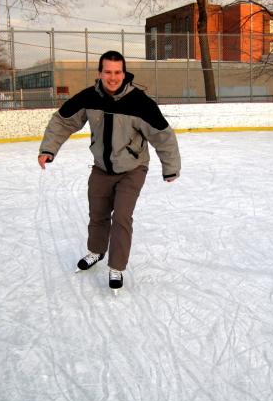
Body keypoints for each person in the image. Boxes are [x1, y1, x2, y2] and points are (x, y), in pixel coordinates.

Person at [38, 50, 181, 292]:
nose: (113, 77)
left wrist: (170, 167)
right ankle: (96, 251)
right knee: (98, 214)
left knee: (122, 217)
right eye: (108, 72)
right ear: (100, 73)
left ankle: (116, 266)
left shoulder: (140, 103)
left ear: (124, 73)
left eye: (117, 72)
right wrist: (48, 149)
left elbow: (163, 136)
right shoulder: (89, 98)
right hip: (102, 168)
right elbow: (63, 120)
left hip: (132, 169)